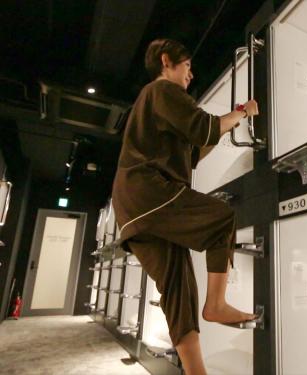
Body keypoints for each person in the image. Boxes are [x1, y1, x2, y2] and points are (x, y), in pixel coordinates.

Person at [111, 38, 258, 375]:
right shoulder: (161, 90)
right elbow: (203, 127)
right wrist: (243, 111)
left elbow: (196, 148)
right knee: (222, 218)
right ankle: (217, 304)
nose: (190, 74)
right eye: (187, 66)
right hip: (148, 192)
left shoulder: (154, 108)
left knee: (179, 287)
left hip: (133, 207)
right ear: (167, 61)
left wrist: (229, 122)